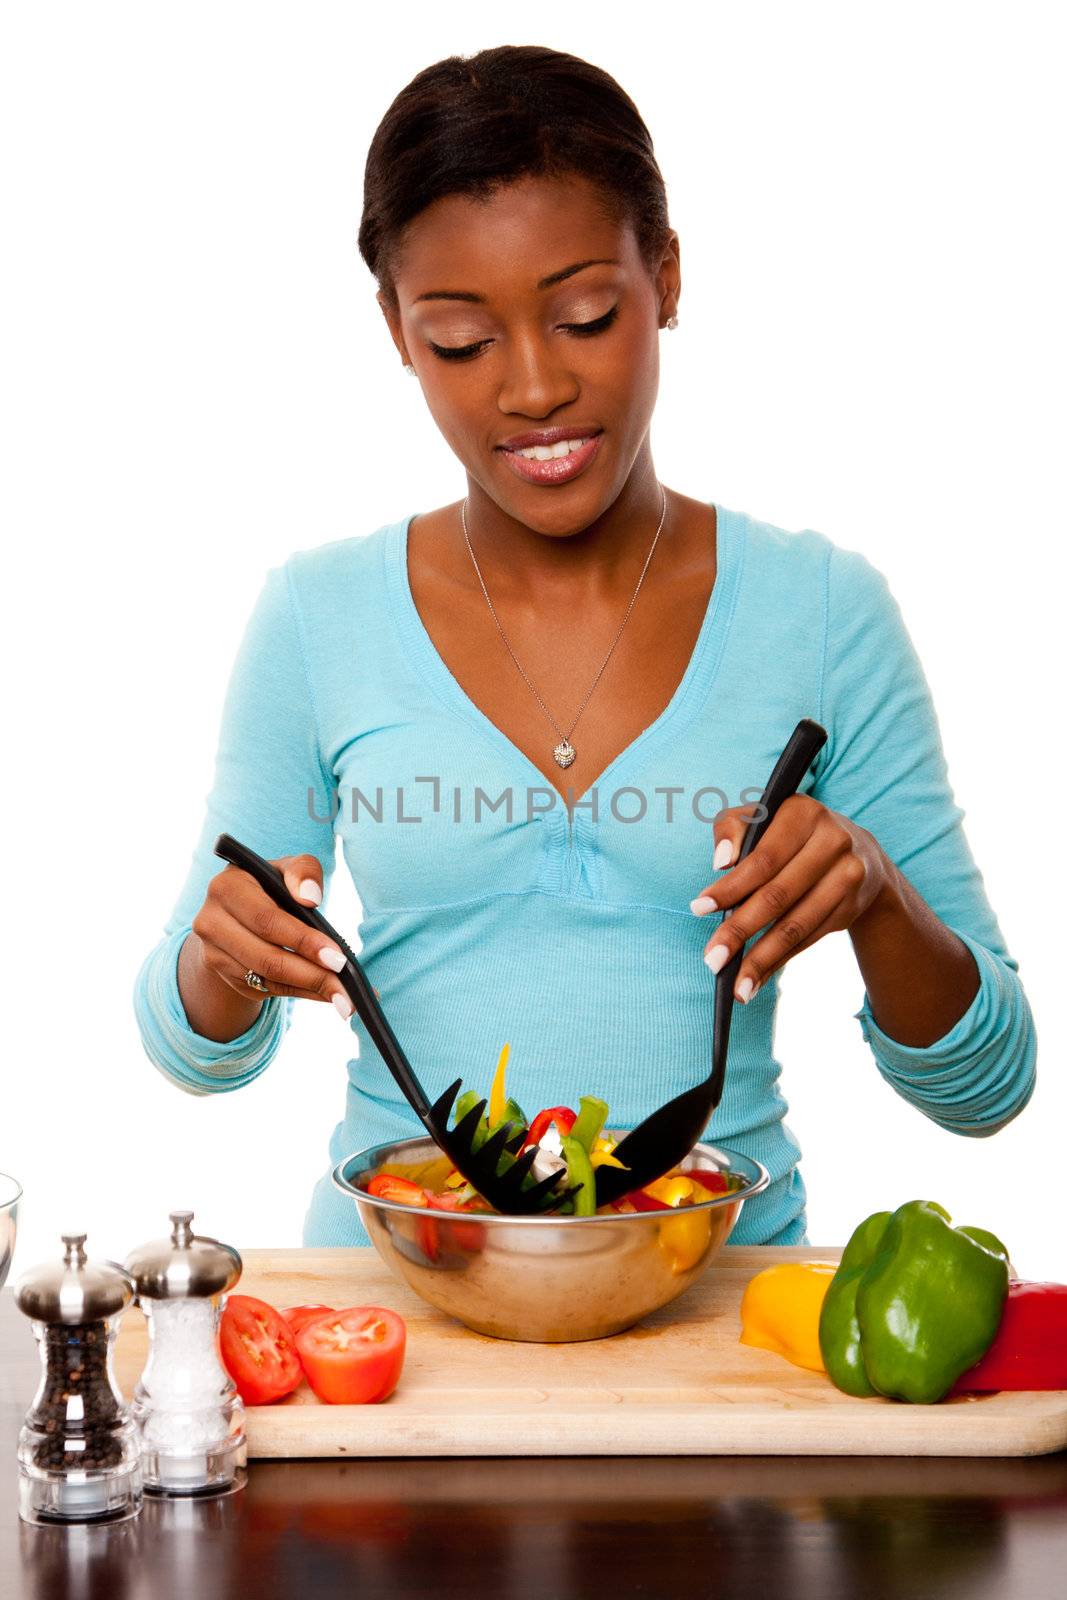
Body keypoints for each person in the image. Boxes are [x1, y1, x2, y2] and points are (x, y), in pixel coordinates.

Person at [133, 45, 1036, 1247]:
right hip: (396, 1309)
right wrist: (228, 957)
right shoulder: (317, 614)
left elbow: (984, 1088)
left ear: (663, 277)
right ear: (399, 335)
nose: (533, 387)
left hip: (717, 1307)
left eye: (583, 316)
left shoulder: (820, 609)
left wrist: (872, 892)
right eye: (459, 340)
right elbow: (195, 1050)